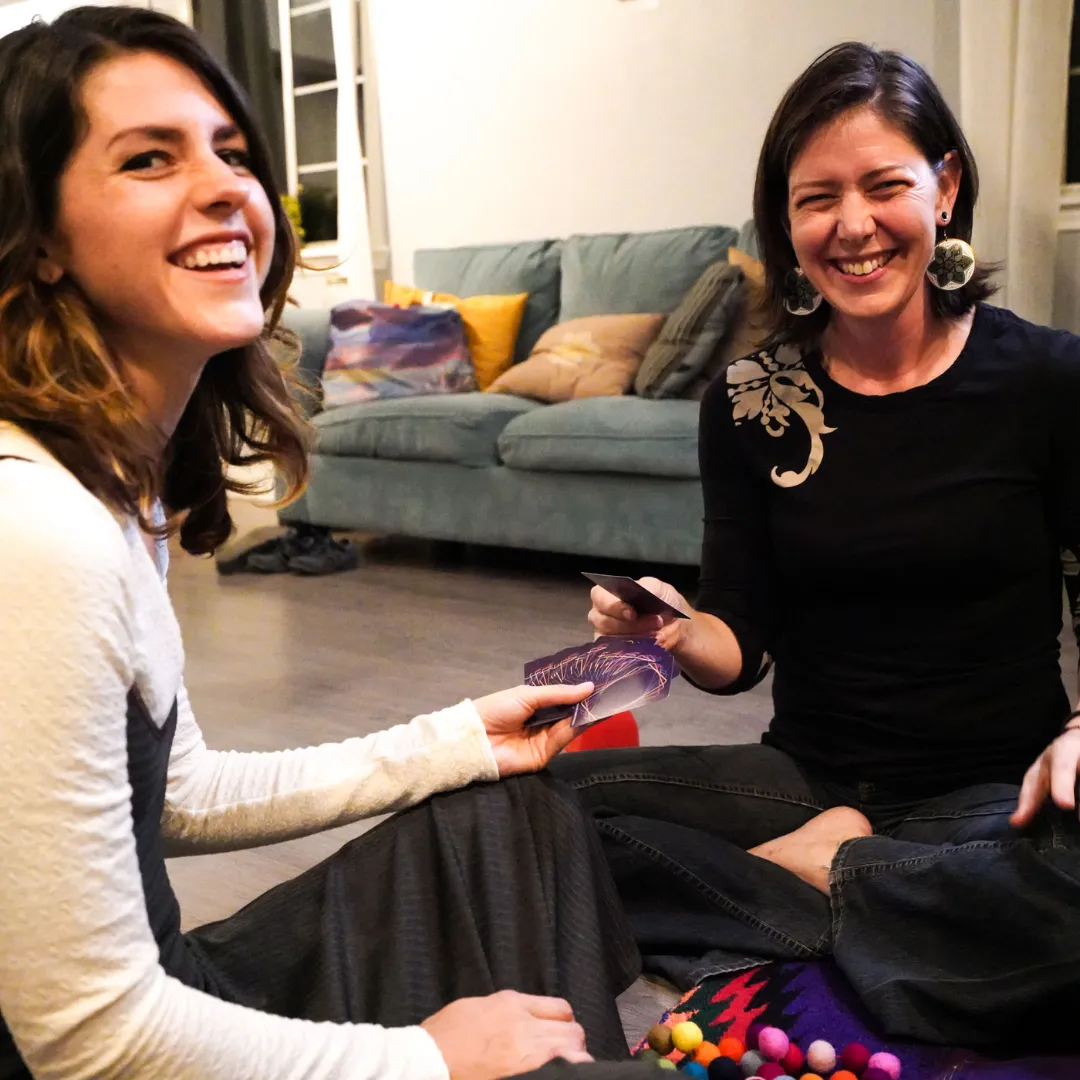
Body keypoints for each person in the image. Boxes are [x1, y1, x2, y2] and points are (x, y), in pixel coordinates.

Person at [0, 8, 657, 1079]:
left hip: (164, 994)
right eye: (149, 158)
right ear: (37, 238)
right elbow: (88, 1039)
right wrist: (428, 1058)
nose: (225, 188)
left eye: (232, 152)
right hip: (110, 1047)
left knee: (510, 817)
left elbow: (174, 797)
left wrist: (460, 739)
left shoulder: (110, 491)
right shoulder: (33, 533)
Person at [557, 42, 1080, 1051]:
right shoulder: (749, 402)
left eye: (884, 186)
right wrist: (673, 630)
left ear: (946, 187)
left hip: (994, 794)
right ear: (786, 223)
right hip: (806, 780)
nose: (852, 226)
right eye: (816, 199)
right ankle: (866, 908)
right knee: (529, 807)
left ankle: (816, 887)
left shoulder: (1049, 380)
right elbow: (740, 638)